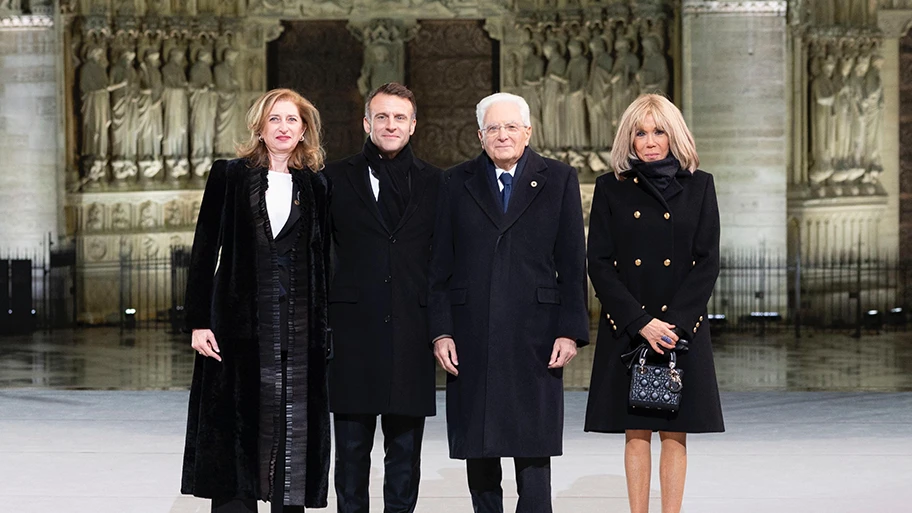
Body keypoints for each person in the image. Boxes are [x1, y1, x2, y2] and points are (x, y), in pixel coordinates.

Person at [428, 92, 589, 513]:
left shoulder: (559, 178)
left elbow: (573, 262)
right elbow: (439, 266)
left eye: (511, 127)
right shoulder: (454, 182)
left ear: (528, 132)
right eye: (493, 128)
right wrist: (441, 330)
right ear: (480, 136)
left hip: (535, 331)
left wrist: (570, 330)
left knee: (532, 440)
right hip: (470, 330)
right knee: (479, 443)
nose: (503, 135)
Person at [181, 88, 333, 513]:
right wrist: (198, 321)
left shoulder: (316, 185)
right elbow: (204, 247)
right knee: (236, 442)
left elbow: (322, 259)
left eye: (292, 120)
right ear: (260, 128)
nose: (283, 128)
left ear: (304, 130)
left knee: (292, 447)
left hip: (297, 334)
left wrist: (325, 331)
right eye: (275, 119)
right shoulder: (229, 175)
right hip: (237, 329)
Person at [584, 94, 724, 513]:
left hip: (681, 329)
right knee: (636, 431)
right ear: (629, 138)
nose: (649, 141)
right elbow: (599, 263)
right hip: (629, 327)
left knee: (675, 433)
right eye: (640, 132)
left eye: (659, 131)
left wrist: (675, 323)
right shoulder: (611, 188)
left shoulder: (700, 186)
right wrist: (640, 322)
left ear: (674, 134)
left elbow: (708, 261)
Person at [323, 82, 442, 513]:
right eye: (382, 117)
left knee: (405, 457)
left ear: (413, 125)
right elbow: (318, 254)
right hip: (353, 335)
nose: (390, 125)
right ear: (366, 123)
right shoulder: (333, 178)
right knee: (351, 455)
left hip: (413, 333)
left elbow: (443, 261)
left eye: (399, 118)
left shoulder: (437, 183)